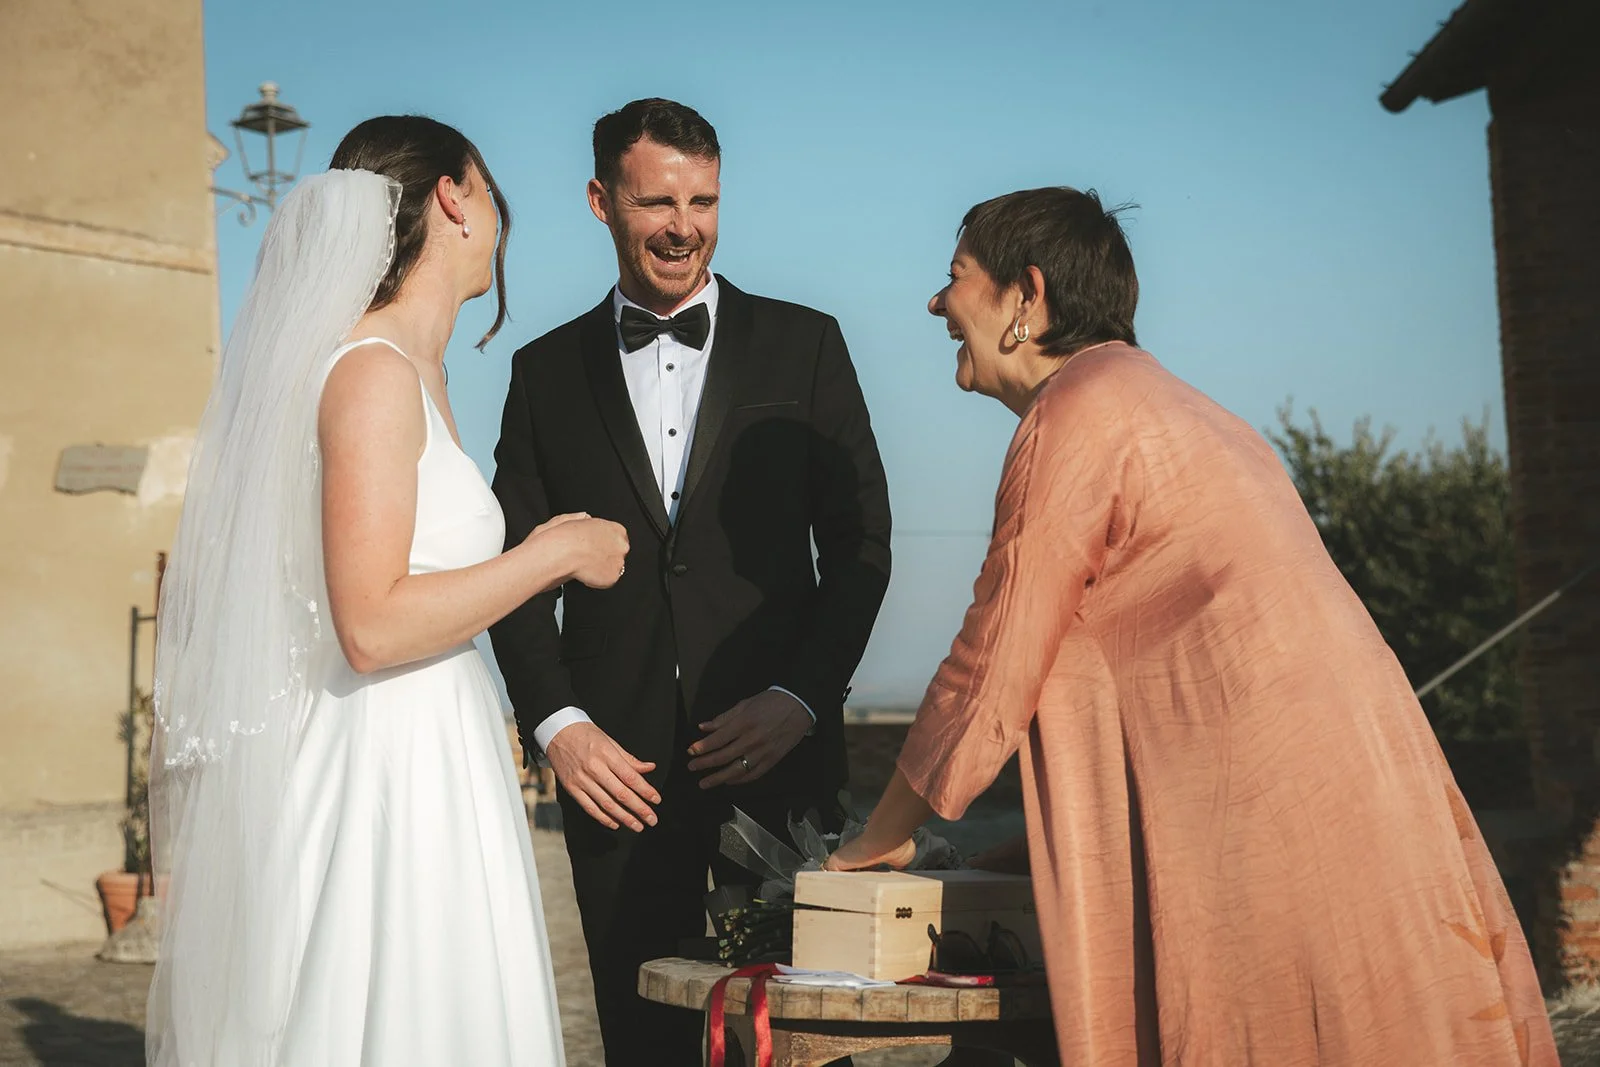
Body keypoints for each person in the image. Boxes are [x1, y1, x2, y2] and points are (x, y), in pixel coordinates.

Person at [828, 187, 1558, 1066]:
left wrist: (877, 838)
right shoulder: (1193, 413)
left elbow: (992, 664)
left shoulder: (1076, 415)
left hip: (1269, 840)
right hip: (1369, 806)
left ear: (1026, 297)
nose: (937, 303)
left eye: (955, 280)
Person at [146, 116, 626, 1065]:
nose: (498, 215)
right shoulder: (370, 374)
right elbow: (368, 622)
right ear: (455, 197)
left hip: (432, 750)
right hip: (382, 768)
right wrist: (550, 554)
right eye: (489, 192)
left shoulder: (411, 370)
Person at [489, 97, 892, 1063]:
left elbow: (863, 546)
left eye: (704, 200)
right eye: (657, 200)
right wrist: (558, 726)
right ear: (601, 201)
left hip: (781, 766)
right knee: (643, 1041)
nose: (684, 226)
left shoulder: (808, 344)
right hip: (613, 780)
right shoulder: (542, 374)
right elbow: (509, 572)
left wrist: (802, 696)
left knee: (797, 1038)